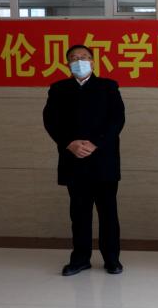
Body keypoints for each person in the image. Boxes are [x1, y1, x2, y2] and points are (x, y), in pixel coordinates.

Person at [42, 44, 125, 276]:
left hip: (103, 159)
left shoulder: (108, 87)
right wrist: (69, 143)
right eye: (74, 58)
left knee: (108, 212)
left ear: (93, 62)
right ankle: (80, 259)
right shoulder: (58, 89)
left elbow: (117, 120)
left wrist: (95, 143)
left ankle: (112, 259)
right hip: (73, 159)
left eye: (85, 57)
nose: (80, 61)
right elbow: (51, 121)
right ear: (68, 64)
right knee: (79, 213)